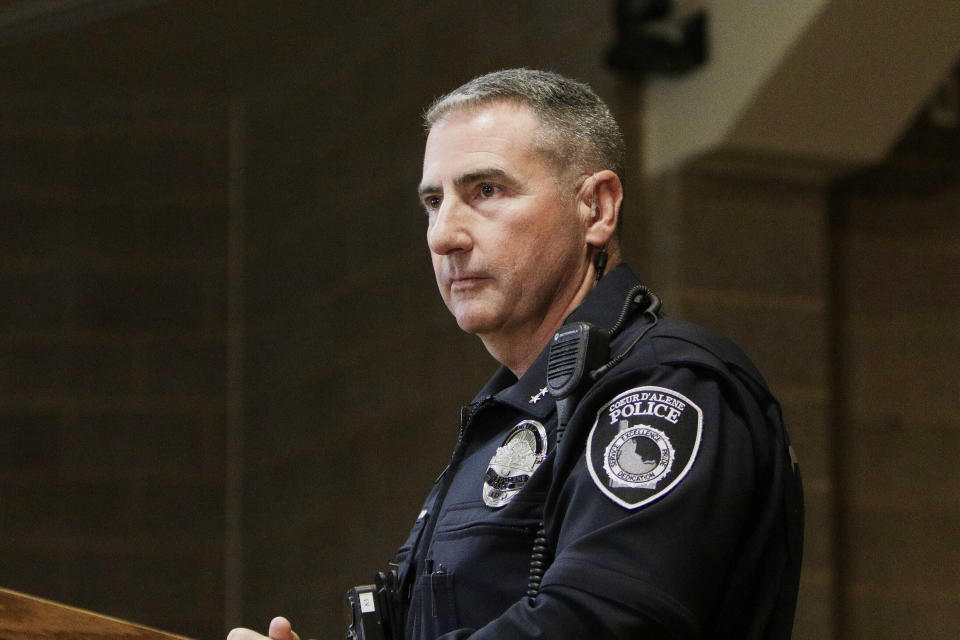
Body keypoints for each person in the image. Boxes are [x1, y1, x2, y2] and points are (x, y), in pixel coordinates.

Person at [229, 68, 803, 640]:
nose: (443, 235)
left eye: (486, 191)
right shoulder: (507, 415)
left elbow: (599, 624)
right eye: (434, 201)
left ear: (597, 209)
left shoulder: (667, 386)